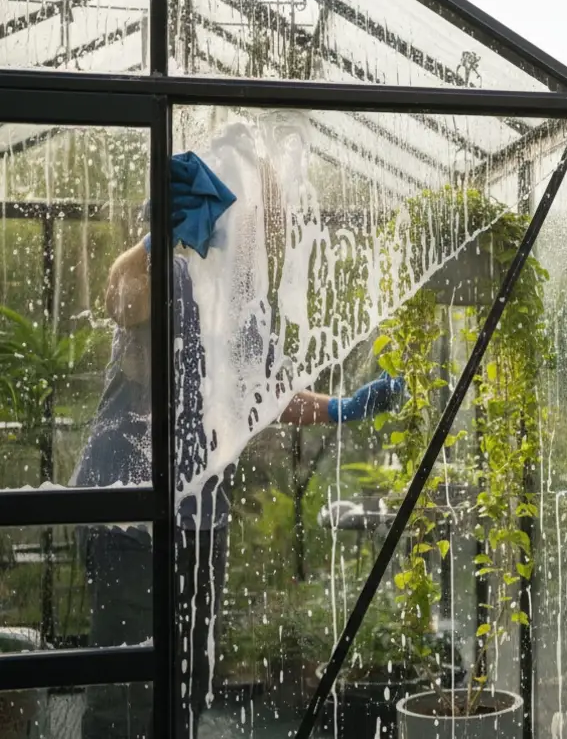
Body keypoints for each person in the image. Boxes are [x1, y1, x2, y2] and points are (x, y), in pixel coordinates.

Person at [71, 153, 403, 737]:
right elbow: (121, 299)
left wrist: (339, 408)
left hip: (200, 513)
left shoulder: (241, 305)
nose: (265, 227)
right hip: (128, 506)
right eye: (257, 213)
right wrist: (154, 243)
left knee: (190, 668)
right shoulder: (169, 276)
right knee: (126, 678)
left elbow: (270, 392)